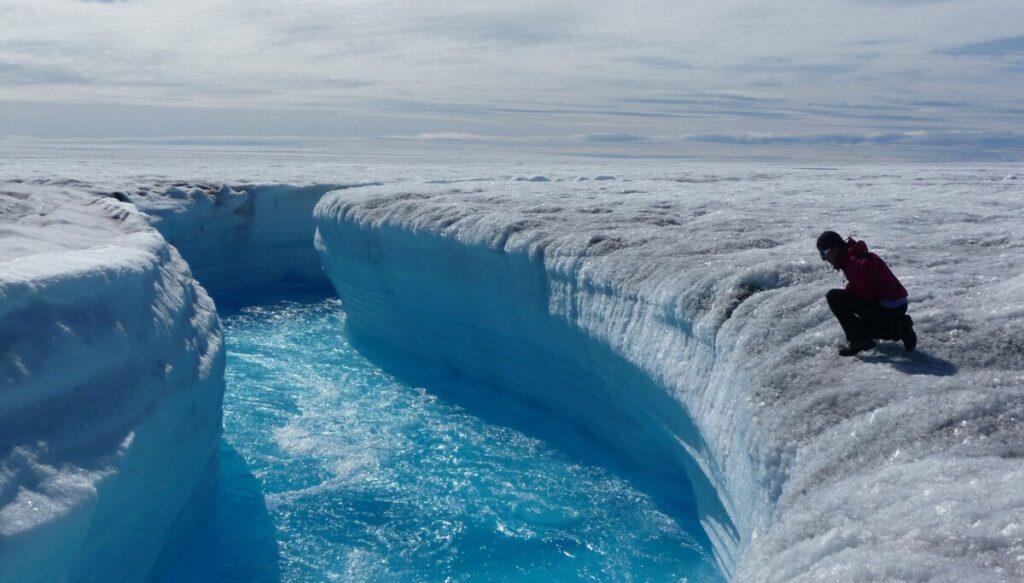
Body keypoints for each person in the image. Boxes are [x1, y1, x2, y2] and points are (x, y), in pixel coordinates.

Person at [816, 230, 917, 356]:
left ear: (835, 249)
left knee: (834, 297)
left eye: (824, 253)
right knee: (859, 326)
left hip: (890, 308)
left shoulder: (853, 262)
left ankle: (862, 339)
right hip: (896, 305)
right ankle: (899, 328)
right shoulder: (852, 256)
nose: (824, 258)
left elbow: (867, 297)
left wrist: (850, 294)